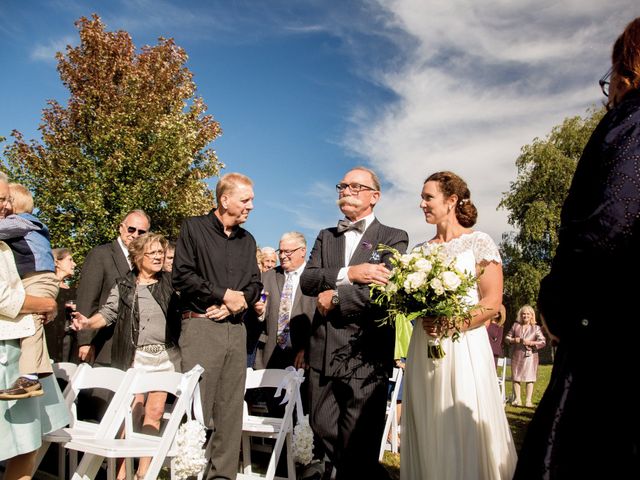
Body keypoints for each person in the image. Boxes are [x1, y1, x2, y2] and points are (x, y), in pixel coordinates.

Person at [514, 17, 640, 479]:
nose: (609, 95)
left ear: (628, 71)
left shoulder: (634, 121)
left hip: (613, 340)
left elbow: (611, 224)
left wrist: (557, 303)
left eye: (612, 81)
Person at [401, 171, 516, 480]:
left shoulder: (479, 242)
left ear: (451, 200)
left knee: (460, 420)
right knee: (427, 421)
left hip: (464, 347)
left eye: (428, 197)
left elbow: (491, 302)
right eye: (422, 197)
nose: (421, 203)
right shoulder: (420, 252)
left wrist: (453, 322)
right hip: (424, 346)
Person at [300, 166, 408, 480]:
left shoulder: (394, 237)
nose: (346, 191)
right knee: (322, 426)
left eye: (355, 186)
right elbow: (309, 279)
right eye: (343, 185)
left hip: (365, 353)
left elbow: (383, 291)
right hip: (323, 353)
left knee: (359, 438)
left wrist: (335, 298)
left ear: (375, 196)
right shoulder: (325, 236)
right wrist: (351, 273)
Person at [172, 172, 262, 480]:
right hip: (200, 328)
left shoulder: (248, 240)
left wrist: (235, 304)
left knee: (230, 410)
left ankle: (222, 476)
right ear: (224, 200)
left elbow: (254, 283)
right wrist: (222, 294)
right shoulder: (193, 229)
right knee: (196, 408)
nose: (251, 206)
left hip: (236, 331)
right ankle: (186, 471)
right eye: (245, 200)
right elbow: (182, 276)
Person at [72, 232, 181, 479]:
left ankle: (144, 472)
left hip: (163, 357)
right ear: (138, 256)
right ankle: (121, 472)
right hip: (135, 357)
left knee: (155, 412)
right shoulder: (124, 284)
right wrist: (87, 323)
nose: (158, 256)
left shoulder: (171, 283)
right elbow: (108, 313)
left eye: (160, 252)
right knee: (131, 412)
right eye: (152, 252)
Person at [0, 173, 70, 480]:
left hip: (18, 342)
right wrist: (44, 304)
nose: (6, 206)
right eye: (1, 200)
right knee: (19, 442)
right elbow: (3, 297)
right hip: (6, 350)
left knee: (27, 443)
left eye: (7, 199)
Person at [0, 183, 58, 400]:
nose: (5, 207)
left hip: (38, 277)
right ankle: (34, 373)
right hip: (34, 277)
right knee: (34, 319)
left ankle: (29, 376)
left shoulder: (22, 222)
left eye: (7, 201)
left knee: (32, 321)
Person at [75, 209, 151, 365]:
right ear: (121, 227)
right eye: (131, 229)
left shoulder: (145, 262)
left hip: (134, 350)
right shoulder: (100, 255)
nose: (135, 235)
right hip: (104, 344)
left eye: (141, 232)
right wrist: (85, 341)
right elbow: (87, 298)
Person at [504, 305, 546, 408]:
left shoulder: (536, 328)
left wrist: (531, 342)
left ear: (532, 316)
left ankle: (528, 401)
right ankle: (518, 400)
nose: (525, 316)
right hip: (517, 355)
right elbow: (507, 338)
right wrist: (513, 340)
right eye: (523, 314)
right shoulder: (515, 326)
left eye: (528, 314)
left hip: (530, 356)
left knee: (530, 378)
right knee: (516, 377)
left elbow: (543, 342)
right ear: (520, 315)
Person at [45, 247, 77, 362]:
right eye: (70, 260)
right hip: (49, 343)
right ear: (56, 262)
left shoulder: (74, 291)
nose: (74, 264)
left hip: (69, 345)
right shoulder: (45, 287)